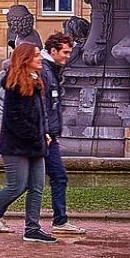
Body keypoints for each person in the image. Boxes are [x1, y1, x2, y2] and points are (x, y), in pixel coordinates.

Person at [0, 42, 58, 243]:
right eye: (36, 55)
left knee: (37, 186)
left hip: (35, 143)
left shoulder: (36, 80)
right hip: (16, 145)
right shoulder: (14, 83)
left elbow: (39, 114)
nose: (40, 58)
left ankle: (32, 229)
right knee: (17, 186)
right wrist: (37, 135)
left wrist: (45, 133)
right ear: (25, 59)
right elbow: (14, 118)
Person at [40, 31, 83, 235]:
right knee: (56, 176)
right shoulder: (45, 71)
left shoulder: (51, 69)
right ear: (53, 50)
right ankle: (60, 221)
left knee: (26, 182)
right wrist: (46, 132)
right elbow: (41, 105)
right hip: (44, 137)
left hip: (47, 135)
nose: (68, 56)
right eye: (65, 52)